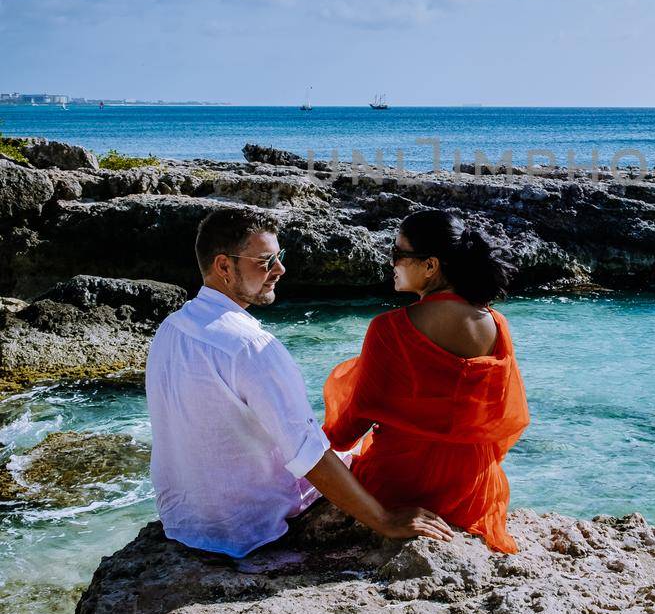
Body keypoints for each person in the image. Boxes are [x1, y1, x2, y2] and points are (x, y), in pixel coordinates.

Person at [145, 207, 452, 557]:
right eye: (265, 261)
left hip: (185, 519)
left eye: (279, 256)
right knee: (372, 455)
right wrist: (383, 520)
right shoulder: (252, 347)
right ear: (224, 267)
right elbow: (306, 453)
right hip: (247, 526)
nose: (280, 269)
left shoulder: (171, 327)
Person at [322, 209, 530, 554]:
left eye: (398, 254)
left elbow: (349, 427)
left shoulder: (389, 328)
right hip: (473, 490)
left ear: (431, 266)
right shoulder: (497, 324)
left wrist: (314, 447)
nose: (391, 262)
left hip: (402, 486)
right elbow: (506, 418)